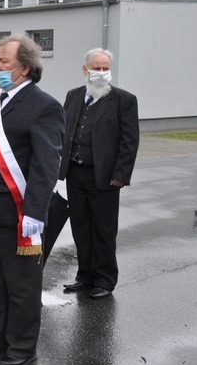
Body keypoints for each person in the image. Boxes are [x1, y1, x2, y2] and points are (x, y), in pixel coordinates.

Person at [0, 34, 64, 365]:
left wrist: (35, 211)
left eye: (2, 62)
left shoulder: (43, 105)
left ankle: (22, 346)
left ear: (23, 68)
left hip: (17, 213)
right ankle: (0, 333)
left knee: (21, 286)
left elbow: (46, 164)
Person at [58, 48, 140, 299]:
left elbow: (129, 141)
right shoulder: (73, 96)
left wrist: (120, 174)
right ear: (85, 70)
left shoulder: (124, 100)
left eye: (106, 68)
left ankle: (104, 279)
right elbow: (64, 131)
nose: (101, 73)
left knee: (103, 229)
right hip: (76, 172)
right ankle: (85, 275)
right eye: (97, 68)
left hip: (105, 175)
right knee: (81, 226)